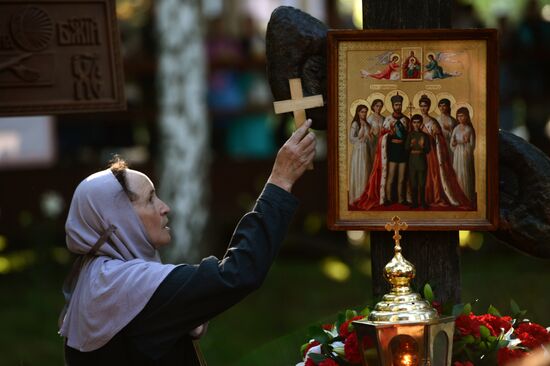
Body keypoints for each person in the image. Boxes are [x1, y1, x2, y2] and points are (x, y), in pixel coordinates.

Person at [59, 120, 317, 365]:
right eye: (150, 200)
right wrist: (280, 181)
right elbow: (237, 273)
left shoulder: (95, 279)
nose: (164, 208)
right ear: (117, 219)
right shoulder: (129, 287)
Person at [351, 93, 410, 209]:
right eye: (396, 104)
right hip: (390, 152)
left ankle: (402, 199)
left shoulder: (405, 119)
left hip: (402, 152)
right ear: (393, 105)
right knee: (390, 176)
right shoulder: (387, 119)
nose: (398, 106)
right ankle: (386, 198)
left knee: (402, 178)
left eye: (400, 104)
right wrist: (389, 134)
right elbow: (382, 135)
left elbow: (408, 135)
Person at [418, 95, 470, 209]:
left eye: (425, 106)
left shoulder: (433, 121)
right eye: (421, 106)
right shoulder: (416, 120)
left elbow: (439, 138)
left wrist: (435, 134)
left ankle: (434, 197)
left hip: (430, 152)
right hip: (418, 153)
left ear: (429, 107)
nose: (423, 108)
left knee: (433, 174)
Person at [450, 107, 476, 204]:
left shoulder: (469, 129)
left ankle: (467, 196)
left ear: (466, 117)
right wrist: (454, 143)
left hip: (465, 154)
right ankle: (458, 197)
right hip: (457, 154)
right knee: (457, 173)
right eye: (458, 116)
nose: (460, 118)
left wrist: (466, 144)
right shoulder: (456, 129)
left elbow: (472, 145)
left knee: (465, 174)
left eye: (462, 116)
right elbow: (452, 142)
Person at [405, 114, 431, 209]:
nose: (416, 124)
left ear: (421, 123)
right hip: (412, 162)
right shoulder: (410, 135)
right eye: (414, 122)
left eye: (418, 122)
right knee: (413, 183)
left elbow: (428, 150)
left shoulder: (425, 136)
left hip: (422, 161)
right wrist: (411, 145)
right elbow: (406, 148)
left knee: (422, 183)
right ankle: (415, 203)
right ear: (412, 123)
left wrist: (423, 146)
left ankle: (423, 203)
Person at [348, 104, 371, 203]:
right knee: (359, 170)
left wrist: (369, 137)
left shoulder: (366, 123)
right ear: (358, 112)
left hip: (365, 149)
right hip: (358, 150)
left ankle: (364, 196)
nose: (364, 113)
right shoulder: (355, 124)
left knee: (365, 171)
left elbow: (368, 137)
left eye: (365, 111)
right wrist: (360, 137)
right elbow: (351, 138)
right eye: (362, 111)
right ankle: (357, 196)